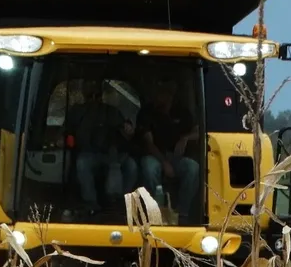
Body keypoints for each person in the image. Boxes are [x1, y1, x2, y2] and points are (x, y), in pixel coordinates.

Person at [66, 80, 138, 214]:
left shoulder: (112, 111)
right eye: (90, 93)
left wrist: (128, 130)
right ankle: (91, 203)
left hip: (114, 154)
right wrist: (63, 138)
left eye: (96, 94)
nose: (93, 97)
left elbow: (126, 131)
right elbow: (66, 131)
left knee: (132, 166)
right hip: (89, 153)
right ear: (83, 93)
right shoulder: (77, 111)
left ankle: (122, 204)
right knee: (82, 164)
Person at [135, 82, 200, 221]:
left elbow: (199, 131)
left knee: (192, 167)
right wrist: (164, 162)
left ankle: (183, 213)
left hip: (177, 157)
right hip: (155, 156)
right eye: (162, 92)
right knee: (149, 166)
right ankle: (155, 211)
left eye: (169, 93)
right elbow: (148, 143)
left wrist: (185, 138)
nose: (165, 96)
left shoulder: (182, 111)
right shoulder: (147, 113)